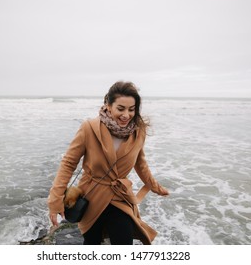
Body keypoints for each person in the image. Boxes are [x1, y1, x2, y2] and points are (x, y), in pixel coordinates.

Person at [47, 81, 169, 245]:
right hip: (92, 196)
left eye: (131, 109)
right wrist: (55, 199)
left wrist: (154, 186)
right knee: (92, 243)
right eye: (121, 108)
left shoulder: (138, 132)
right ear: (108, 105)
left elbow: (140, 163)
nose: (126, 114)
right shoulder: (89, 128)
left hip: (120, 196)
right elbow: (68, 164)